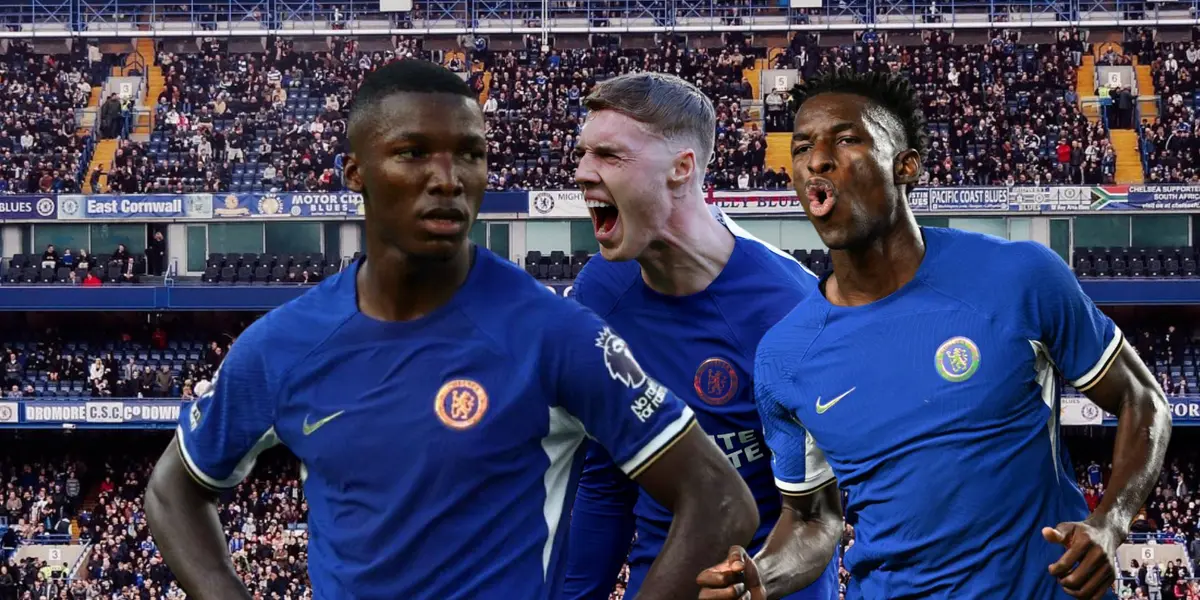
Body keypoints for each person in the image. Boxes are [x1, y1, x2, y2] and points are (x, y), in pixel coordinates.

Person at [144, 59, 760, 600]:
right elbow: (174, 491)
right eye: (413, 153)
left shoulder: (552, 333)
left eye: (469, 153)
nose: (448, 178)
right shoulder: (284, 345)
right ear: (355, 172)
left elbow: (719, 499)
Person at [697, 69, 1172, 600]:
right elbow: (812, 520)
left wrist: (1110, 522)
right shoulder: (783, 358)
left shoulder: (1019, 277)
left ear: (906, 166)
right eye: (803, 147)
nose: (818, 160)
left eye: (846, 139)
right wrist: (762, 576)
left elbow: (1141, 398)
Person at [562, 72, 839, 600]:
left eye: (609, 155)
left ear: (681, 169)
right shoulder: (599, 292)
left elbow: (815, 517)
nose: (581, 172)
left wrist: (754, 582)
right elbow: (606, 479)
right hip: (659, 578)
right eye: (582, 154)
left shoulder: (792, 312)